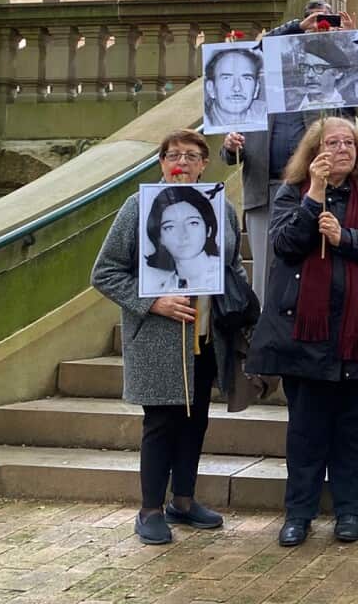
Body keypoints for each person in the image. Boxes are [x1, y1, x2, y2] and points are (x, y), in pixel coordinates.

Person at [245, 117, 358, 547]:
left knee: (355, 429)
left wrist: (346, 237)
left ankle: (350, 510)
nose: (342, 148)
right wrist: (314, 198)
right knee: (306, 431)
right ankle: (299, 512)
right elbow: (283, 245)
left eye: (349, 142)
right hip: (305, 338)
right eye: (332, 142)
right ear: (314, 151)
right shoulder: (291, 194)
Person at [92, 129, 246, 545]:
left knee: (196, 421)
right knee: (161, 423)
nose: (182, 161)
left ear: (203, 164)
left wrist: (239, 308)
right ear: (161, 163)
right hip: (158, 339)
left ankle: (183, 499)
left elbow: (232, 266)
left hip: (206, 337)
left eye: (191, 155)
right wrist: (152, 302)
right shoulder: (138, 207)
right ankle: (150, 509)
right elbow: (104, 272)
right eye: (173, 154)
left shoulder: (223, 209)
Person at [220, 0, 358, 308]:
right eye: (311, 22)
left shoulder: (325, 86)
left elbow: (356, 105)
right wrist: (297, 28)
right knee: (266, 276)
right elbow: (250, 53)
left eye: (323, 22)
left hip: (312, 189)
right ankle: (264, 338)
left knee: (311, 267)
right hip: (264, 191)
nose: (316, 28)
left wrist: (347, 44)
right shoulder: (257, 85)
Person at [142, 186, 222, 294]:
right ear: (160, 238)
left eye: (193, 223)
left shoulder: (223, 275)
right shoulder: (161, 287)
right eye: (170, 227)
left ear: (209, 229)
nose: (183, 235)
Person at [286, 35, 358, 111]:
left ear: (338, 73)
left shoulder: (350, 104)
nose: (310, 75)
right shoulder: (290, 108)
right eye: (306, 67)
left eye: (319, 68)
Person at [203, 48, 265, 131]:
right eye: (226, 78)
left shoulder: (267, 115)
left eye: (246, 78)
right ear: (211, 88)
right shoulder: (203, 122)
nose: (237, 88)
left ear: (256, 88)